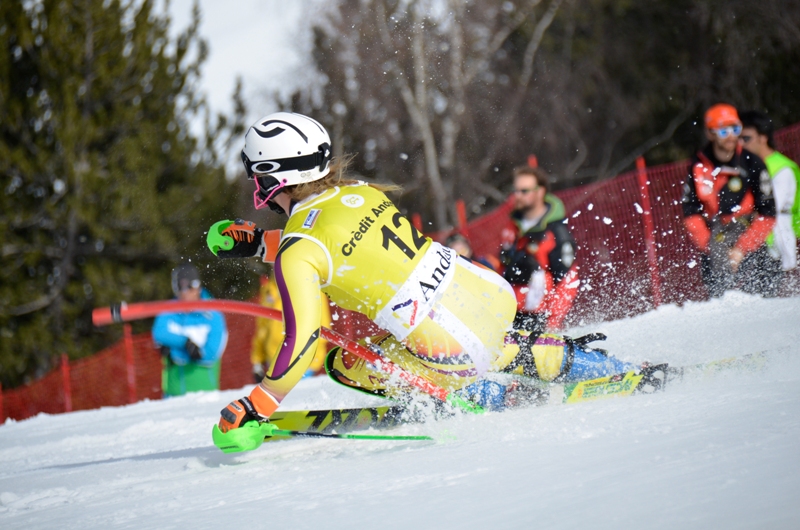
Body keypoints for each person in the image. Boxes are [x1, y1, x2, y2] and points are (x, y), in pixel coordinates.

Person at [209, 112, 651, 430]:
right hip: (488, 295)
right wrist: (256, 245)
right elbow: (333, 245)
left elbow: (302, 337)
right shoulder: (356, 193)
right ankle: (604, 367)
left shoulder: (296, 252)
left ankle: (493, 398)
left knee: (345, 363)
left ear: (270, 176)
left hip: (445, 342)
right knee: (491, 344)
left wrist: (259, 403)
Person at [681, 104, 778, 297]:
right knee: (719, 299)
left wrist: (742, 249)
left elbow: (768, 211)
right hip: (714, 240)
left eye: (736, 129)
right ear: (710, 133)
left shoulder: (753, 163)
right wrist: (709, 247)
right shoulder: (697, 166)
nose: (731, 136)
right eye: (724, 130)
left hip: (750, 239)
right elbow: (690, 211)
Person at [499, 166, 579, 332]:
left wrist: (552, 324)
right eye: (516, 191)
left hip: (539, 318)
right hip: (509, 313)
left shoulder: (556, 232)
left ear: (540, 192)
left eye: (524, 191)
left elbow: (567, 279)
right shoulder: (511, 227)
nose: (518, 196)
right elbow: (501, 266)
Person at [152, 263, 228, 396]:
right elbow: (159, 333)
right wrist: (185, 343)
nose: (185, 293)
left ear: (198, 287)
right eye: (180, 289)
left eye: (189, 288)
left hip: (204, 395)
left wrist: (175, 353)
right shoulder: (169, 310)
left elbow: (211, 354)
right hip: (172, 395)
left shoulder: (212, 314)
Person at [738, 110, 800, 274]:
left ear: (763, 137)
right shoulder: (747, 166)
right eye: (739, 139)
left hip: (773, 242)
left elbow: (775, 210)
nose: (741, 143)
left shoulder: (781, 168)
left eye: (746, 138)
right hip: (753, 241)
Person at [250, 273, 332, 383]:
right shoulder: (269, 288)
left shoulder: (309, 285)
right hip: (274, 361)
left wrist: (310, 357)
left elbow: (322, 324)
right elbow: (262, 328)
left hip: (302, 361)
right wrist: (258, 362)